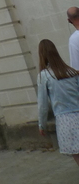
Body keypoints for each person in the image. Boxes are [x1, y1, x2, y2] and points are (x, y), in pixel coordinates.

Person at [37, 38, 79, 167]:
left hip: (65, 120)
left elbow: (43, 105)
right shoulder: (72, 72)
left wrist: (42, 124)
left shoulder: (44, 76)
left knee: (77, 155)